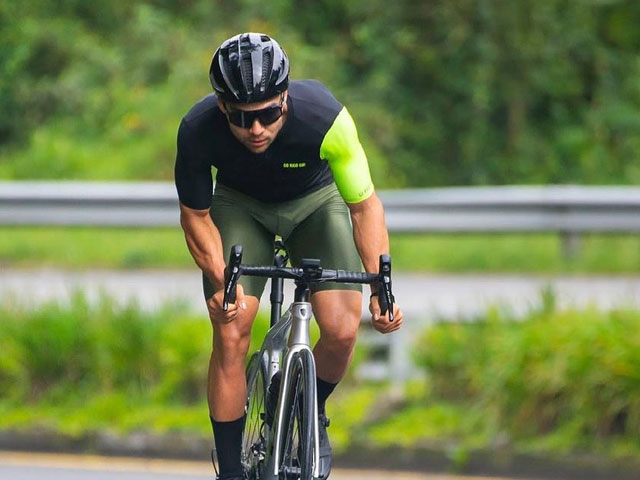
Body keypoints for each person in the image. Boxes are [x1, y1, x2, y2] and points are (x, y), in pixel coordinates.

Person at [174, 32, 403, 480]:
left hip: (316, 203)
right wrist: (223, 283)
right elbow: (195, 217)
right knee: (232, 329)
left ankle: (310, 411)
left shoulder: (325, 117)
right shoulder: (197, 129)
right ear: (222, 108)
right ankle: (231, 470)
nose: (255, 129)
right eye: (241, 118)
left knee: (340, 330)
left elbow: (364, 206)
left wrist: (381, 287)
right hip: (241, 206)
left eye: (267, 115)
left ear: (285, 97)